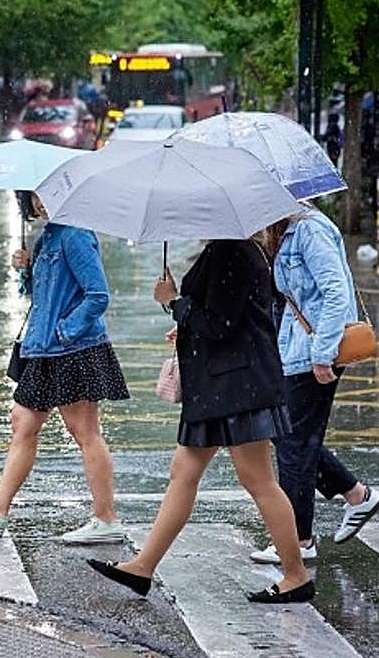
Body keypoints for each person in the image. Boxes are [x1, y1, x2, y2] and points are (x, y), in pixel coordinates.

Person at [87, 237, 314, 604]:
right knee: (183, 473)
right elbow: (227, 316)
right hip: (217, 385)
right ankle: (143, 566)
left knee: (259, 481)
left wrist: (174, 302)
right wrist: (183, 317)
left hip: (239, 385)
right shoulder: (227, 248)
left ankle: (296, 575)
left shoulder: (232, 251)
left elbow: (219, 323)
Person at [0, 191, 130, 545]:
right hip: (44, 349)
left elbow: (98, 295)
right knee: (23, 423)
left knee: (85, 432)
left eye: (49, 194)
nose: (41, 202)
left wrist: (66, 330)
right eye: (34, 196)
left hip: (72, 348)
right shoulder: (49, 235)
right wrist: (27, 271)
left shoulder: (76, 233)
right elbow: (47, 294)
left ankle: (106, 518)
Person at [247, 207, 379, 567]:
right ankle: (357, 495)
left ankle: (299, 539)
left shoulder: (310, 231)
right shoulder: (288, 230)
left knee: (293, 444)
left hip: (314, 354)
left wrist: (322, 355)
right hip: (294, 351)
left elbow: (337, 293)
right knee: (292, 438)